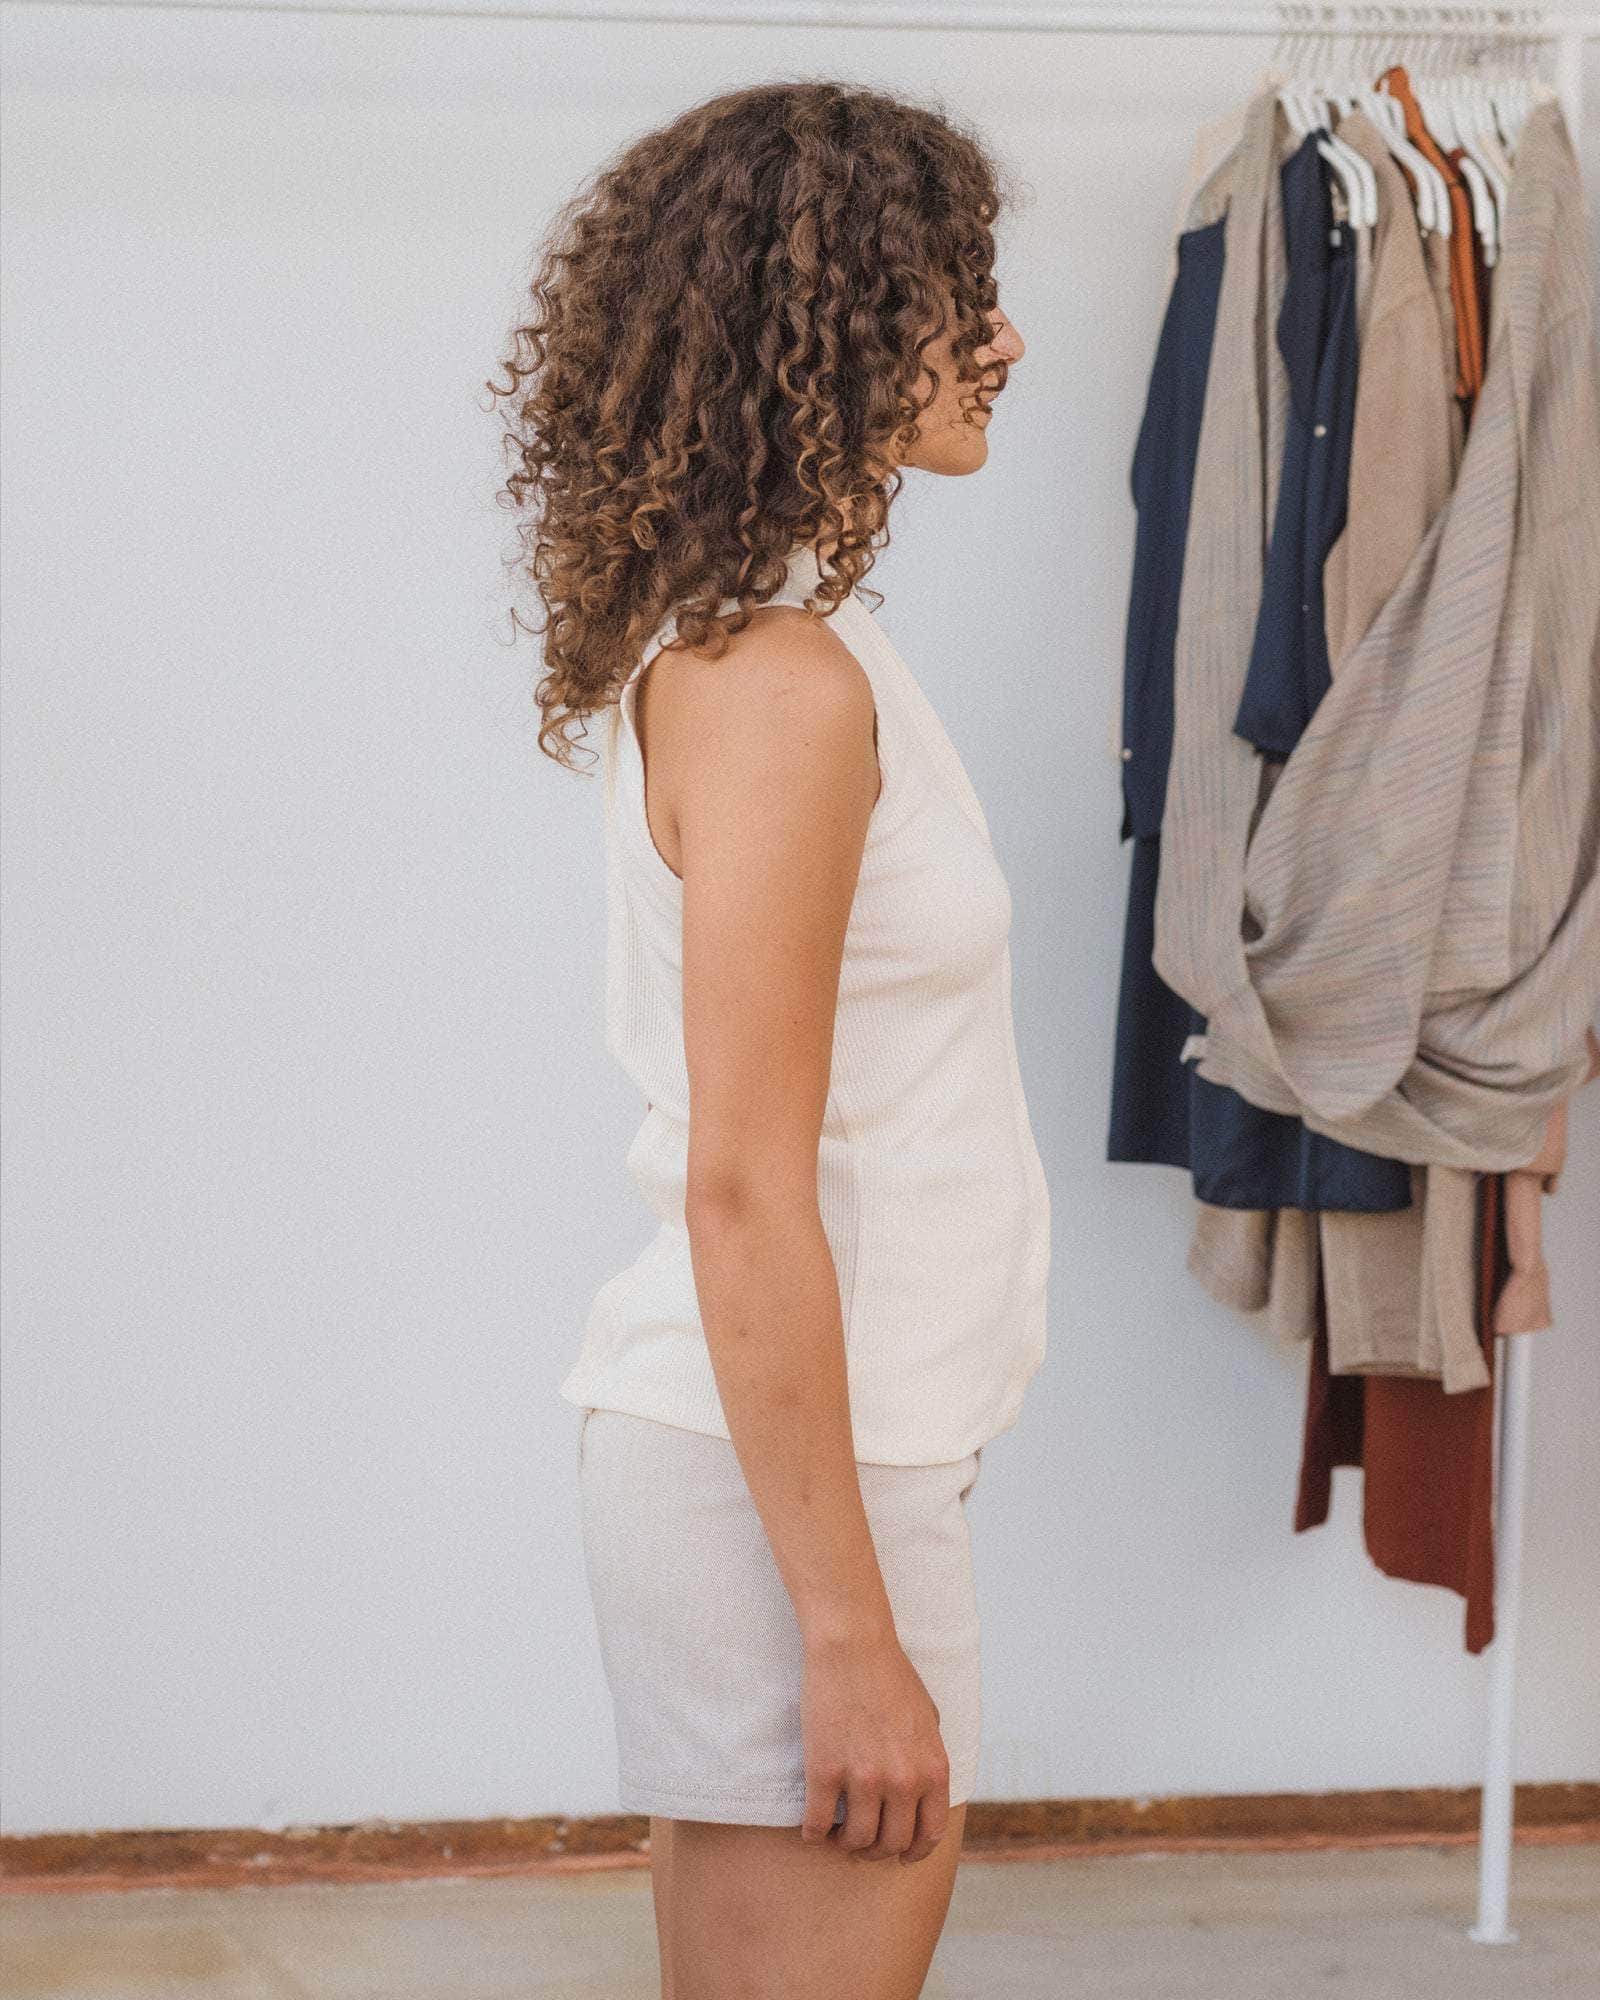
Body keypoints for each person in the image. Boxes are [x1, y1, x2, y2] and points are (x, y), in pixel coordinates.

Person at [488, 79, 1048, 2000]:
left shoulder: (785, 648)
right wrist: (847, 1633)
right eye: (954, 294)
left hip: (822, 1460)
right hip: (793, 1488)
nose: (1005, 338)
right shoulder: (777, 685)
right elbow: (745, 1185)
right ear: (827, 327)